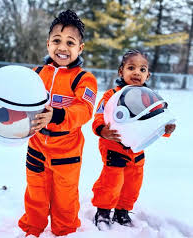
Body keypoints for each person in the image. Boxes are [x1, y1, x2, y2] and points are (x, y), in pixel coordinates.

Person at [16, 9, 97, 237]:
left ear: (80, 48)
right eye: (57, 41)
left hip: (67, 153)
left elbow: (84, 109)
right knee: (35, 193)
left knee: (65, 197)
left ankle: (64, 231)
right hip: (37, 147)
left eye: (70, 42)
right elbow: (16, 102)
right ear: (48, 44)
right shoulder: (36, 74)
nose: (62, 47)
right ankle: (32, 229)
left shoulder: (84, 78)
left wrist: (57, 115)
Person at [91, 49, 175, 230]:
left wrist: (165, 129)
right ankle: (103, 211)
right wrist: (102, 130)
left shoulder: (148, 98)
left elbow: (156, 120)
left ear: (148, 74)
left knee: (132, 183)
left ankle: (123, 210)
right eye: (131, 68)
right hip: (113, 145)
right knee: (111, 181)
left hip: (137, 148)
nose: (137, 72)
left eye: (142, 69)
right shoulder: (111, 96)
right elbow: (98, 117)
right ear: (121, 71)